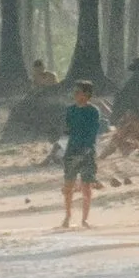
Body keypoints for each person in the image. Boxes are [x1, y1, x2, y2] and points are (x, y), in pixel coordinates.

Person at [57, 80, 104, 227]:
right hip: (71, 149)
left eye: (78, 92)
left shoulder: (93, 111)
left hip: (88, 150)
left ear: (87, 94)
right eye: (75, 92)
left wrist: (87, 149)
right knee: (68, 184)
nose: (75, 95)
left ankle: (85, 218)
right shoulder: (71, 110)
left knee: (86, 185)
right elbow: (68, 129)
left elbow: (93, 132)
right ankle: (67, 216)